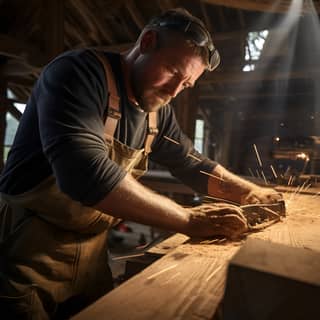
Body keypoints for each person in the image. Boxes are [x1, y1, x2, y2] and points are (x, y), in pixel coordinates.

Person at [0, 8, 282, 319]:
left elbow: (191, 163)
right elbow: (85, 174)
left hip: (93, 256)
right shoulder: (78, 74)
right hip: (25, 251)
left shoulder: (156, 114)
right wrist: (188, 220)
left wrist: (250, 193)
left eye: (185, 85)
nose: (173, 91)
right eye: (173, 70)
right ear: (146, 42)